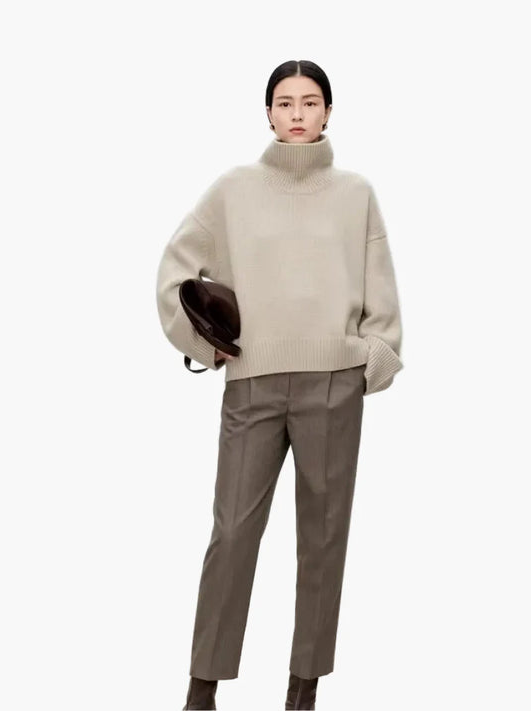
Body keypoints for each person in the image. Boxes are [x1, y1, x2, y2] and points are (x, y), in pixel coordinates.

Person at [156, 59, 404, 711]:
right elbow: (175, 271)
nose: (297, 113)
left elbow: (380, 289)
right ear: (267, 113)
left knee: (323, 538)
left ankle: (303, 689)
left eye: (310, 102)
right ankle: (202, 687)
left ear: (328, 112)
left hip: (333, 384)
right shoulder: (232, 190)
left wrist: (371, 358)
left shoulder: (356, 194)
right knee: (232, 533)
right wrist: (204, 347)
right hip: (252, 384)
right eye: (285, 102)